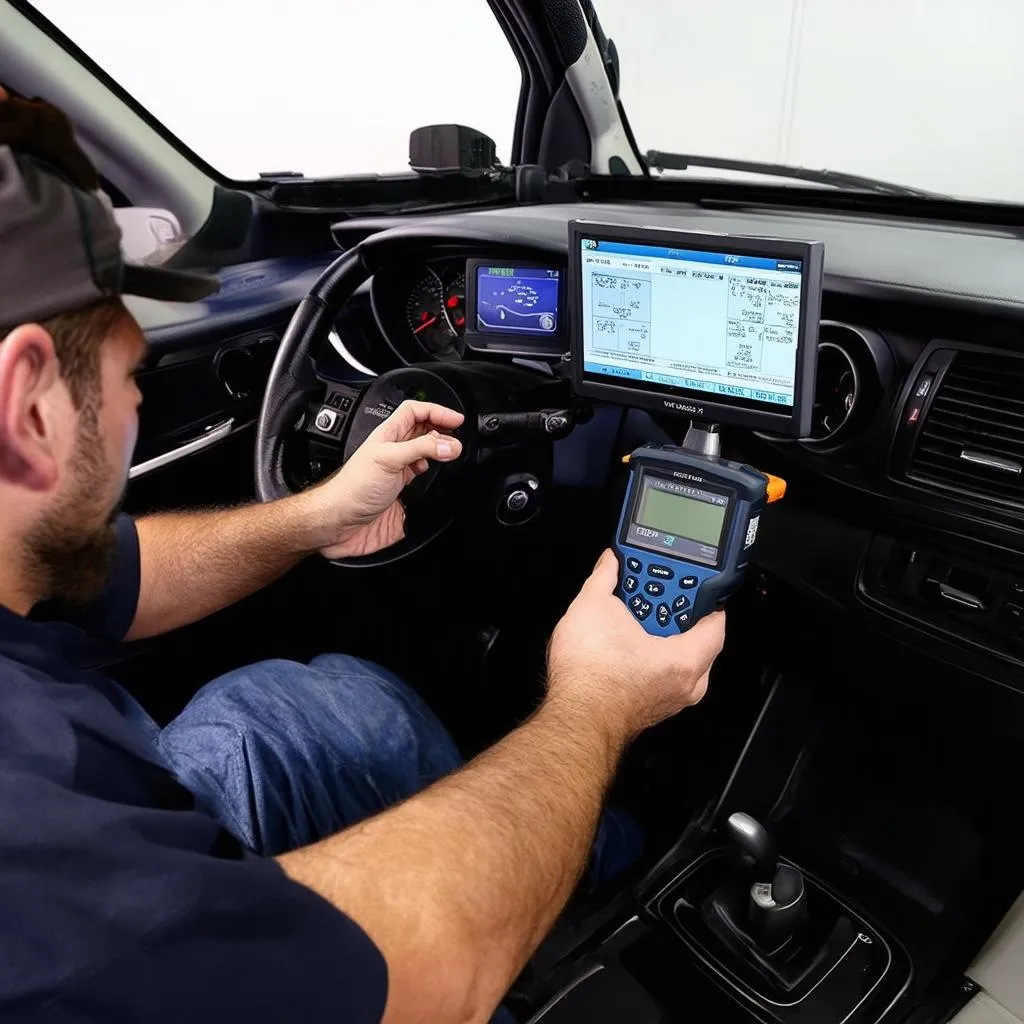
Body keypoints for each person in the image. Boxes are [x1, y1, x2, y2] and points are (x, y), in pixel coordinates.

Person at [0, 87, 726, 1023]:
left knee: (311, 708)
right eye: (130, 372)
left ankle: (593, 842)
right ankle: (603, 851)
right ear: (25, 408)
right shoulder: (44, 870)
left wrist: (318, 515)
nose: (138, 406)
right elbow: (407, 984)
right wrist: (598, 705)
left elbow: (114, 576)